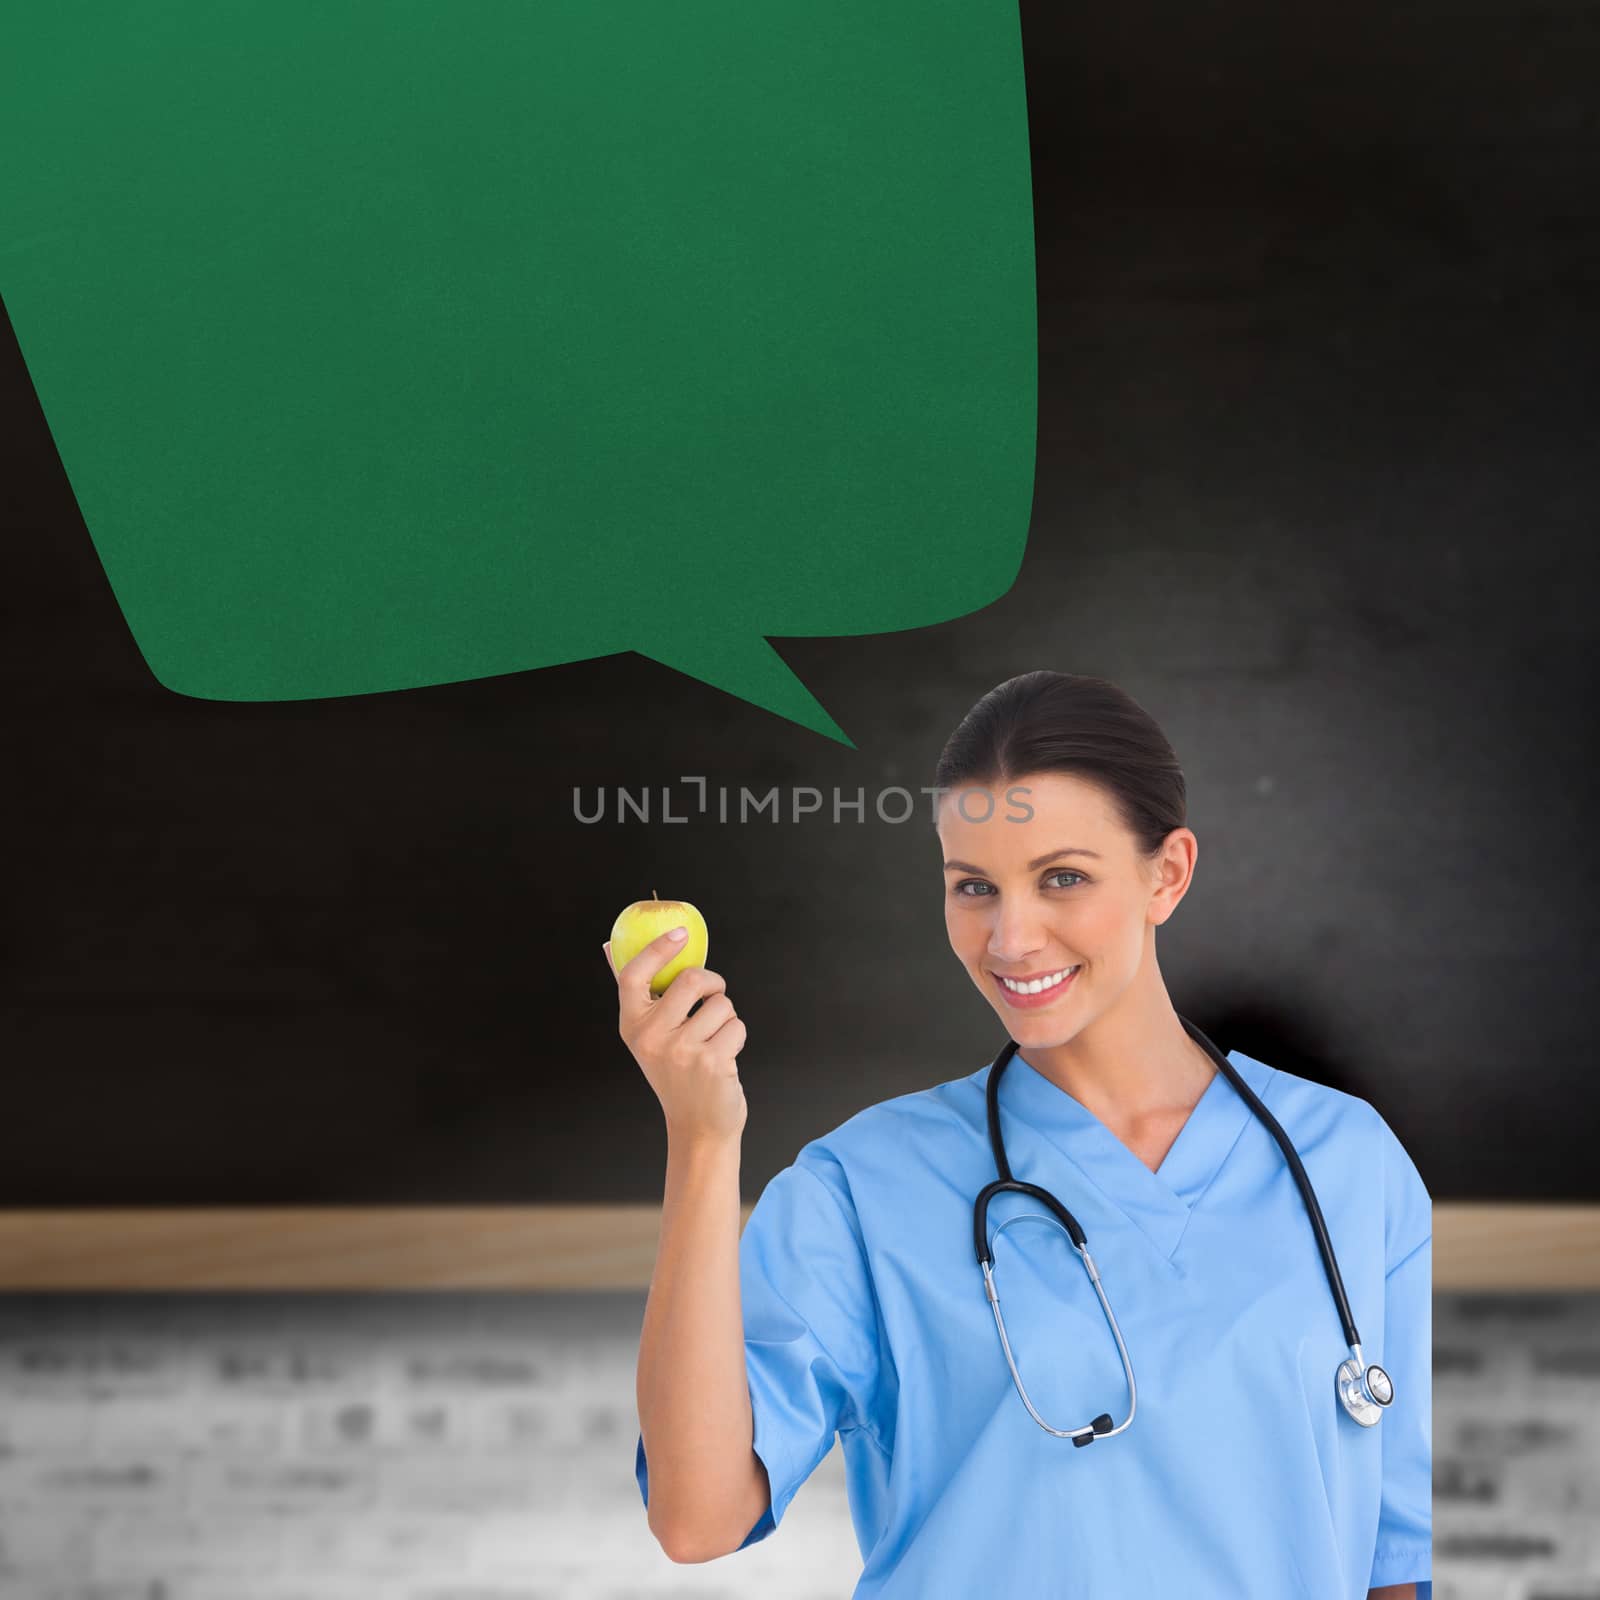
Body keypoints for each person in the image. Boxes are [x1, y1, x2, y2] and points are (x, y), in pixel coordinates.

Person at [610, 671, 1432, 1599]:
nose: (1010, 937)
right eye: (974, 887)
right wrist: (703, 1137)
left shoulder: (1347, 1163)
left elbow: (1389, 1560)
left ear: (1169, 873)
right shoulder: (863, 1185)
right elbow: (696, 1516)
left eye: (1063, 878)